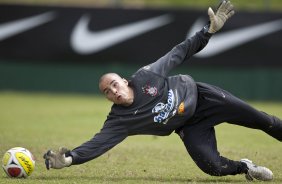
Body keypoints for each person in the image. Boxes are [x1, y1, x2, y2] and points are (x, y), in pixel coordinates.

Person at [43, 0, 282, 181]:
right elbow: (98, 143)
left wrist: (207, 32)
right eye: (107, 91)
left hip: (203, 98)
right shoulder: (119, 120)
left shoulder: (146, 75)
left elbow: (179, 52)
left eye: (114, 83)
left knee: (262, 120)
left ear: (125, 81)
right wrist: (69, 159)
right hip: (188, 126)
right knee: (212, 167)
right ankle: (246, 167)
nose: (113, 91)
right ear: (107, 98)